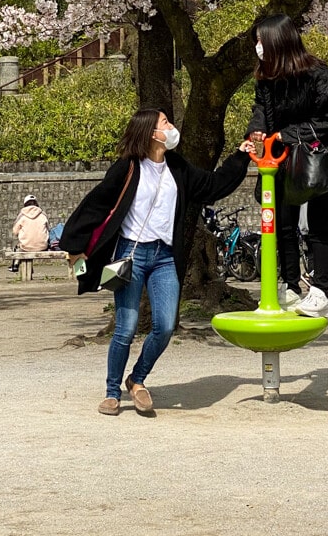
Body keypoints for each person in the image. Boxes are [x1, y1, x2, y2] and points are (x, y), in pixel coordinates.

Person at [60, 108, 259, 416]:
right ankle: (112, 393)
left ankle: (136, 379)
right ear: (152, 134)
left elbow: (212, 186)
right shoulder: (127, 168)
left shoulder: (176, 166)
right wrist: (74, 247)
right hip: (132, 255)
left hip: (165, 257)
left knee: (165, 327)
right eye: (165, 123)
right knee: (125, 328)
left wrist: (241, 155)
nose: (171, 127)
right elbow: (95, 205)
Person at [246, 12, 328, 320]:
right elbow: (260, 111)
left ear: (277, 41)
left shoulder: (319, 74)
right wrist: (256, 131)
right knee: (283, 226)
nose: (258, 47)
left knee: (319, 226)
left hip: (319, 156)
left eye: (260, 41)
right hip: (282, 159)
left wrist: (287, 134)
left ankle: (320, 291)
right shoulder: (267, 78)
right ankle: (290, 286)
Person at [10, 194, 49, 273]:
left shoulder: (22, 215)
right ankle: (27, 270)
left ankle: (15, 265)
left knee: (18, 247)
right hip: (42, 246)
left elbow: (15, 231)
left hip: (26, 246)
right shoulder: (43, 214)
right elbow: (48, 228)